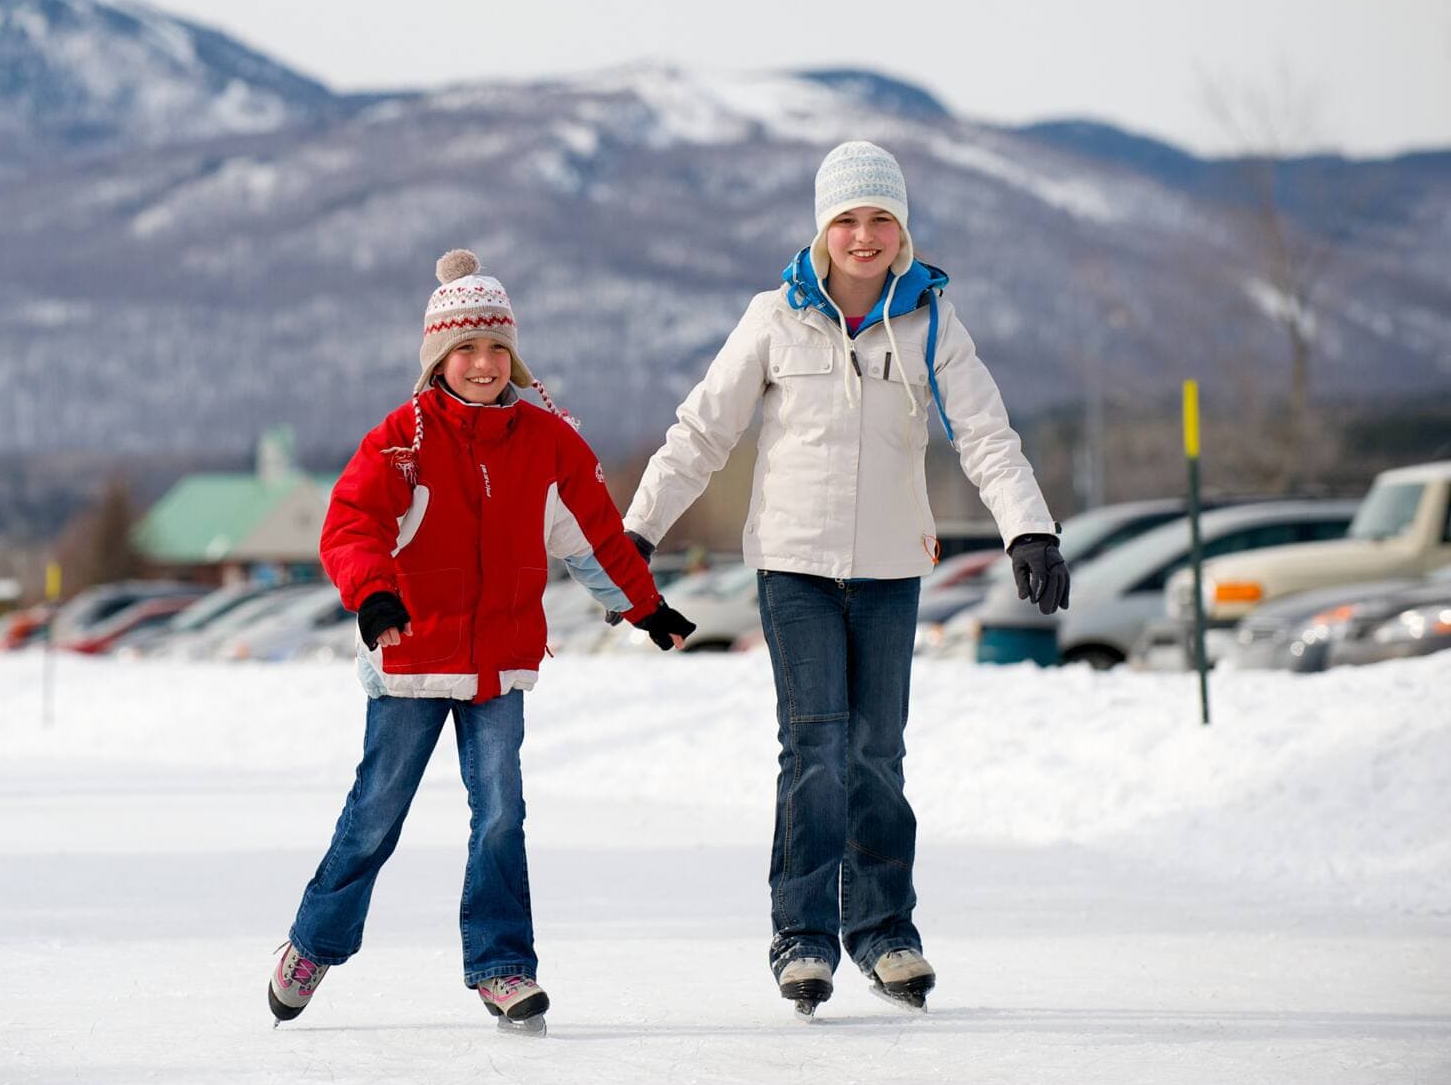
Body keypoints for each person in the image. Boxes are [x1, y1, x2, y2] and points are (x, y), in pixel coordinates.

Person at [621, 141, 1071, 1016]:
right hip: (793, 565)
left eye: (879, 219)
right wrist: (636, 528)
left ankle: (884, 929)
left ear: (901, 228)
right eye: (847, 220)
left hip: (891, 567)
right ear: (822, 229)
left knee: (877, 753)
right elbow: (702, 432)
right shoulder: (773, 318)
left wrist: (1030, 526)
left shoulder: (934, 320)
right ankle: (801, 935)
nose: (863, 236)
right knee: (816, 748)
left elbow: (985, 434)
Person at [267, 249, 695, 1033]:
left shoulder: (546, 441)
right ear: (438, 358)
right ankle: (312, 942)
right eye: (465, 348)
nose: (483, 363)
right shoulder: (403, 439)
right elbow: (352, 525)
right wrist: (374, 597)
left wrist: (645, 607)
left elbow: (594, 536)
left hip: (499, 663)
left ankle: (502, 965)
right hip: (411, 656)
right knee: (376, 812)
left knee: (501, 810)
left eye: (498, 348)